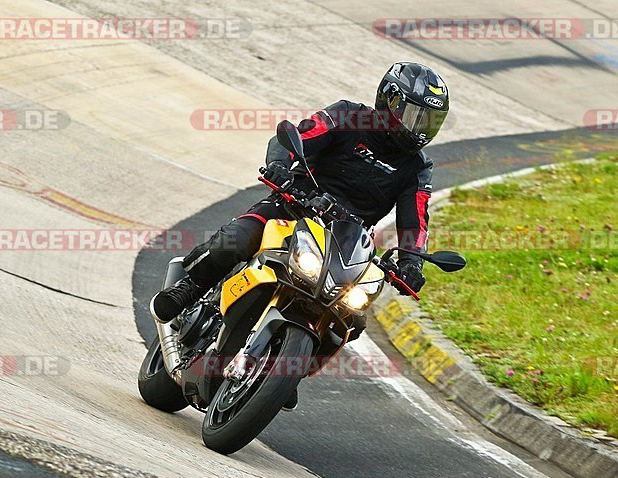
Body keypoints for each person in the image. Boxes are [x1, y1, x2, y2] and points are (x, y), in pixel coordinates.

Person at [151, 62, 450, 407]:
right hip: (293, 207)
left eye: (429, 120)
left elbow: (416, 216)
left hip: (345, 242)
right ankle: (191, 288)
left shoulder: (417, 166)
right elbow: (298, 134)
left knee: (352, 319)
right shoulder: (349, 116)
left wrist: (412, 261)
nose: (419, 128)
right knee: (237, 237)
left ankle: (282, 370)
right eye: (414, 115)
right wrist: (281, 165)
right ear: (390, 100)